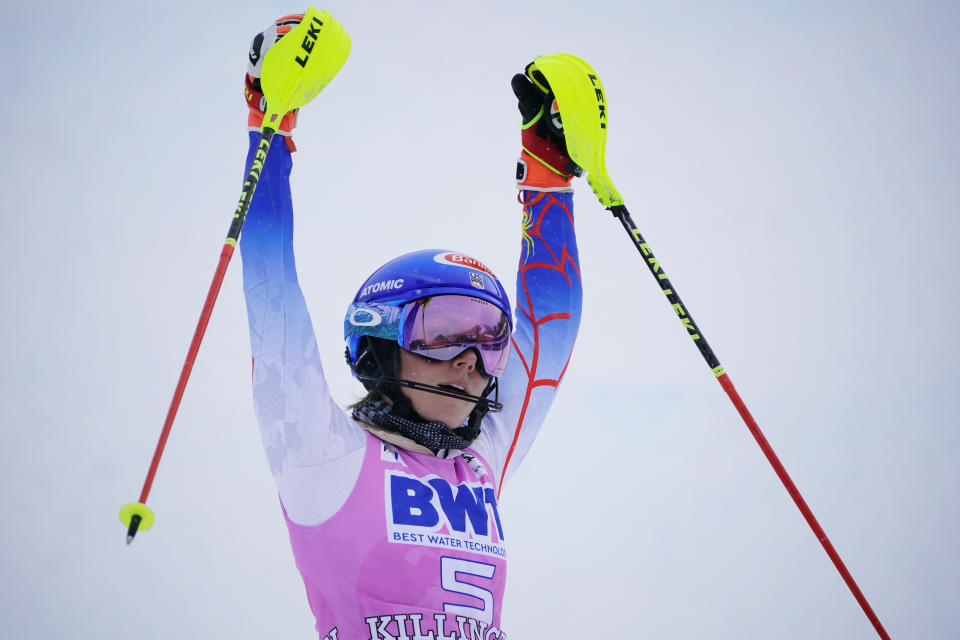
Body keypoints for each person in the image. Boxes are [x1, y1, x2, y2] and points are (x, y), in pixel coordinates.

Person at [239, 15, 583, 640]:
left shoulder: (479, 461)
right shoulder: (324, 453)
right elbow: (273, 298)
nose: (470, 361)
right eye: (444, 330)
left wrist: (549, 173)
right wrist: (270, 131)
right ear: (379, 348)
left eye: (489, 338)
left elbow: (550, 328)